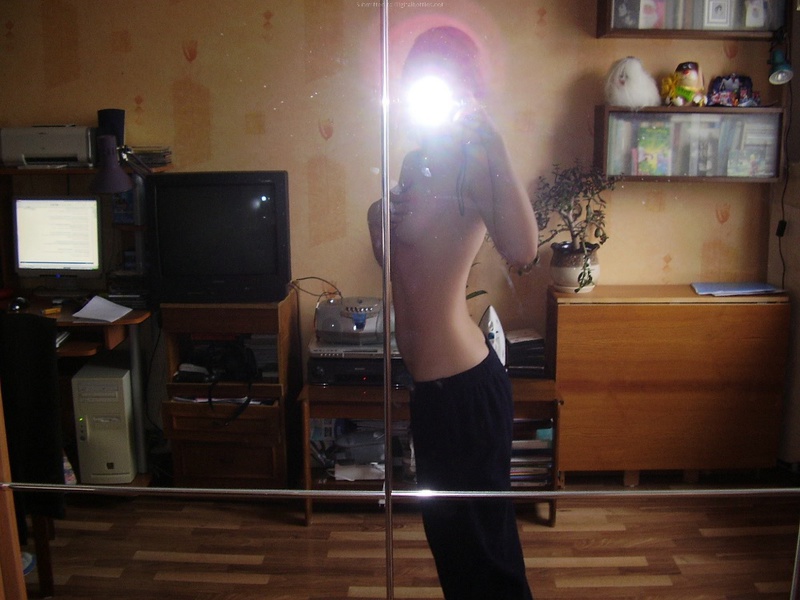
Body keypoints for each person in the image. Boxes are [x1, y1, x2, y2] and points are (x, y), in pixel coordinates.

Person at [367, 26, 538, 600]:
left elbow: (523, 250)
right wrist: (378, 221)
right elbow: (404, 271)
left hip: (466, 390)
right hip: (433, 393)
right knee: (454, 550)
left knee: (487, 556)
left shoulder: (476, 165)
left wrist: (497, 144)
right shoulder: (414, 164)